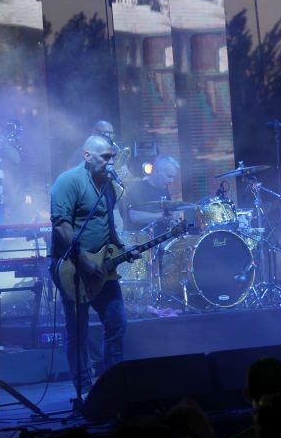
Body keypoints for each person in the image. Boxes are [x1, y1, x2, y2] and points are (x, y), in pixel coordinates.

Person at [50, 134, 129, 395]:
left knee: (117, 322)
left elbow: (108, 223)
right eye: (105, 157)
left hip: (102, 268)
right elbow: (61, 225)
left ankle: (113, 387)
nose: (110, 163)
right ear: (87, 156)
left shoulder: (108, 186)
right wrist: (83, 261)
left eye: (112, 157)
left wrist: (121, 248)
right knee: (78, 331)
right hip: (72, 267)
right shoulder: (68, 181)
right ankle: (84, 391)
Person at [121, 154, 182, 232]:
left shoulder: (164, 188)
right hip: (142, 237)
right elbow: (134, 216)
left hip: (161, 236)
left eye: (173, 177)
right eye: (169, 176)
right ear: (156, 172)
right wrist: (165, 215)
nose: (171, 181)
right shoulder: (139, 188)